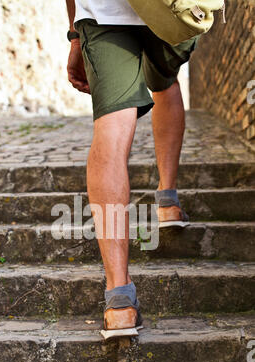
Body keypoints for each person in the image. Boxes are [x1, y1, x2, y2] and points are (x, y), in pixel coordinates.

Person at [65, 0, 197, 339]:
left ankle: (119, 300)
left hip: (103, 12)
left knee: (113, 123)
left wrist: (75, 36)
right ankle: (167, 201)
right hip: (169, 8)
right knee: (165, 80)